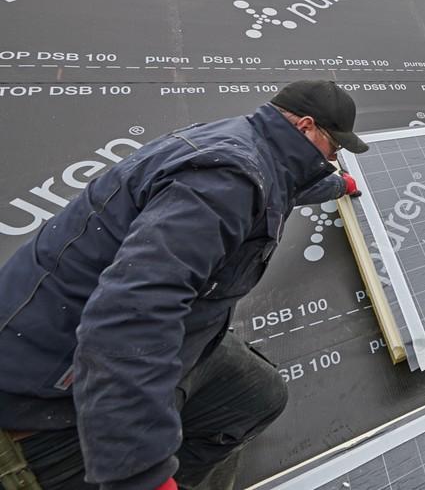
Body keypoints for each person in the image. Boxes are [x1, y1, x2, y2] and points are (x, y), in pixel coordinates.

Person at [0, 80, 369, 490]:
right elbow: (129, 317)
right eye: (334, 147)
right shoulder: (227, 177)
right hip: (53, 387)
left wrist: (339, 187)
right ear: (305, 127)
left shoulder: (250, 146)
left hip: (156, 341)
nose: (334, 158)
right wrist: (144, 474)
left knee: (257, 397)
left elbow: (286, 186)